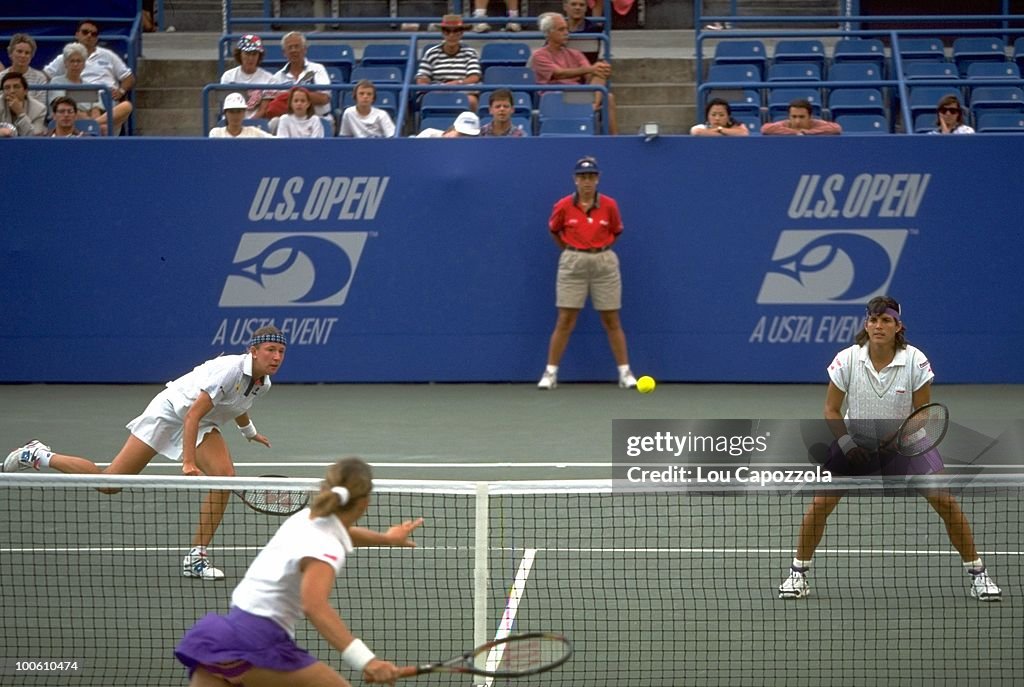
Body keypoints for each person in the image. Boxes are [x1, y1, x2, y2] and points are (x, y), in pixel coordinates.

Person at [4, 326, 290, 579]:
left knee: (224, 478)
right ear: (253, 351)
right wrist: (188, 462)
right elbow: (191, 415)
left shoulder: (262, 383)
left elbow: (239, 404)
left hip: (203, 423)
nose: (276, 357)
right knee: (109, 484)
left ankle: (196, 557)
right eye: (270, 350)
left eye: (280, 351)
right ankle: (39, 455)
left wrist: (249, 433)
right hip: (170, 414)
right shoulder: (229, 370)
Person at [777, 296, 1002, 603]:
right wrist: (846, 443)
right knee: (819, 505)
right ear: (865, 324)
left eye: (886, 320)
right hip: (854, 437)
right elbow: (831, 409)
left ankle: (979, 574)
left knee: (946, 503)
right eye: (873, 320)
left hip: (907, 440)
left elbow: (923, 410)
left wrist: (901, 436)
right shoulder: (847, 359)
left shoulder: (915, 359)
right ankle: (797, 574)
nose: (878, 326)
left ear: (898, 326)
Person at [175, 457, 422, 686]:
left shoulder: (305, 518)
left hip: (223, 637)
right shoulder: (325, 549)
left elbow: (343, 531)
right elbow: (315, 606)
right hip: (259, 643)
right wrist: (367, 661)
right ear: (365, 503)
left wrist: (387, 539)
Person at [537, 156, 637, 390]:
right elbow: (554, 230)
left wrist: (597, 248)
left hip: (604, 262)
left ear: (598, 179)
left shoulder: (610, 205)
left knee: (611, 319)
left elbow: (616, 230)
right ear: (575, 180)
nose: (587, 182)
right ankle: (550, 373)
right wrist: (573, 251)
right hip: (573, 262)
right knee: (565, 319)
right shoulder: (563, 205)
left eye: (591, 177)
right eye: (582, 177)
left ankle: (625, 372)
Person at [530, 12, 618, 135]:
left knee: (607, 93)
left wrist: (599, 69)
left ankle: (610, 137)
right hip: (554, 97)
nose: (566, 32)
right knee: (595, 71)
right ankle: (590, 109)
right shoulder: (539, 55)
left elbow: (590, 74)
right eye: (561, 29)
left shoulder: (575, 53)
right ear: (549, 33)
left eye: (566, 29)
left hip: (577, 95)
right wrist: (590, 69)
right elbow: (559, 74)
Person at [44, 20, 135, 114]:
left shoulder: (108, 55)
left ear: (97, 38)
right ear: (77, 35)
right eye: (85, 32)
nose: (89, 36)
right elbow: (44, 76)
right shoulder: (65, 57)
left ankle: (96, 124)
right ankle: (98, 125)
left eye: (94, 34)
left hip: (106, 97)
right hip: (75, 100)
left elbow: (128, 77)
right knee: (69, 106)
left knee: (126, 106)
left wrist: (121, 91)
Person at [48, 42, 133, 136]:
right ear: (65, 63)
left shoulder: (89, 85)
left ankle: (95, 125)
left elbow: (96, 109)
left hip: (91, 122)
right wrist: (85, 117)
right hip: (67, 120)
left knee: (126, 106)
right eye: (72, 61)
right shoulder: (56, 82)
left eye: (79, 61)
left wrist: (92, 121)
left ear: (84, 64)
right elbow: (62, 107)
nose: (75, 64)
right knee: (103, 128)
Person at [416, 15, 483, 112]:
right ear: (443, 33)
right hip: (437, 91)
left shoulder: (470, 53)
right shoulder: (431, 53)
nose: (451, 35)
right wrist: (434, 88)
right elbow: (421, 78)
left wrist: (456, 83)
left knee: (471, 100)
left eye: (455, 31)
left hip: (462, 90)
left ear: (461, 33)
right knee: (427, 98)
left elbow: (474, 77)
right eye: (447, 31)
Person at [269, 32, 333, 123]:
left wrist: (291, 95)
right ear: (284, 53)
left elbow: (324, 98)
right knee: (274, 122)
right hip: (291, 122)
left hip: (319, 119)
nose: (293, 50)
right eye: (290, 47)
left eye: (297, 46)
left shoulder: (317, 69)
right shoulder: (277, 77)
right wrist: (305, 96)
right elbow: (276, 105)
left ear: (305, 49)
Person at [220, 34, 275, 120]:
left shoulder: (269, 79)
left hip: (257, 124)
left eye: (254, 54)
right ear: (240, 54)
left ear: (259, 56)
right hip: (231, 121)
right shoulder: (228, 76)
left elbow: (263, 110)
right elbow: (226, 106)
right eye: (247, 54)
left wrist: (249, 124)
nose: (250, 58)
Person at [1, 33, 49, 105]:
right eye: (19, 51)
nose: (23, 55)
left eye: (27, 53)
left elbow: (41, 108)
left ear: (31, 56)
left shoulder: (40, 78)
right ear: (10, 53)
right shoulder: (1, 77)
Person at [210, 92, 274, 138]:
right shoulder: (216, 133)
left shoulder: (254, 132)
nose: (235, 116)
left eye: (239, 111)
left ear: (244, 113)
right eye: (231, 112)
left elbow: (275, 140)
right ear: (225, 114)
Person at [0, 72, 46, 136]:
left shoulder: (39, 109)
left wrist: (20, 113)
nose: (12, 91)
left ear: (25, 91)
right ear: (3, 92)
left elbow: (34, 136)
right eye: (7, 88)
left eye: (16, 87)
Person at [762, 98, 841, 136]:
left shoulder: (817, 123)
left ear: (810, 116)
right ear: (789, 116)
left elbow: (836, 128)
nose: (797, 121)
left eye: (802, 117)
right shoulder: (784, 124)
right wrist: (796, 133)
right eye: (794, 117)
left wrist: (806, 132)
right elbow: (765, 128)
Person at [415, 110, 480, 138]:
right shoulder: (429, 134)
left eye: (468, 135)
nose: (462, 138)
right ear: (453, 129)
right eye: (461, 133)